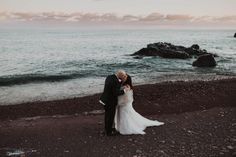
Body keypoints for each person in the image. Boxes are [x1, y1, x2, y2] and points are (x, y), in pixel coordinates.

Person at [100, 70, 130, 136]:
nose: (123, 77)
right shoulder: (115, 81)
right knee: (110, 116)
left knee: (107, 115)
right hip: (110, 101)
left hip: (104, 99)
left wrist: (120, 83)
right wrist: (125, 90)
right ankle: (109, 132)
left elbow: (113, 87)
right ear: (120, 76)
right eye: (123, 76)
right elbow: (116, 93)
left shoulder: (110, 77)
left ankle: (107, 129)